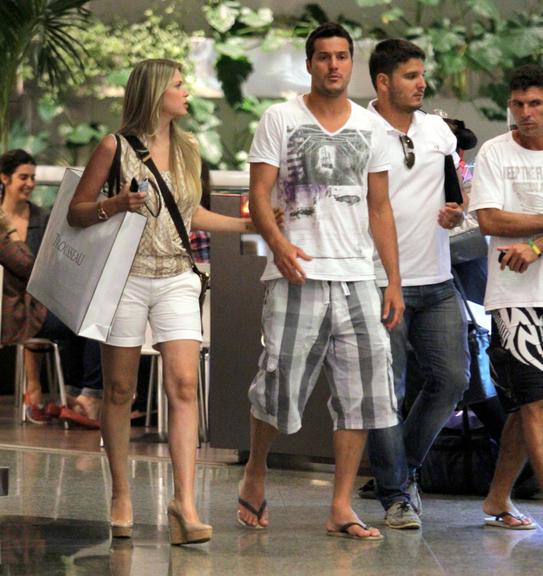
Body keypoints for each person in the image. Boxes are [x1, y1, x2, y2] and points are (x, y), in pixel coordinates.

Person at [67, 58, 257, 544]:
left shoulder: (190, 148)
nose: (186, 91)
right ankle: (121, 495)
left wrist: (248, 225)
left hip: (177, 276)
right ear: (155, 93)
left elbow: (190, 213)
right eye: (178, 85)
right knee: (118, 390)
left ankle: (184, 504)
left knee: (185, 386)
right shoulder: (114, 146)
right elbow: (77, 212)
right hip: (124, 278)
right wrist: (115, 204)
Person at [238, 22, 404, 541]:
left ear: (351, 64)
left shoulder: (371, 127)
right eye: (324, 57)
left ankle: (340, 504)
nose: (334, 65)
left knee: (361, 394)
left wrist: (392, 280)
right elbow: (259, 196)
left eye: (342, 56)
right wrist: (280, 246)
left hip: (357, 277)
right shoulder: (280, 117)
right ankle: (256, 468)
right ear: (310, 64)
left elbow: (380, 207)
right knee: (278, 383)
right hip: (298, 272)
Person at [363, 38, 470, 529]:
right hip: (381, 283)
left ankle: (399, 471)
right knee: (386, 389)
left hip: (440, 279)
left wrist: (457, 211)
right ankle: (396, 494)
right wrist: (390, 280)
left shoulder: (437, 132)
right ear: (383, 82)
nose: (421, 83)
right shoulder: (360, 131)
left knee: (452, 379)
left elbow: (457, 190)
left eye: (421, 74)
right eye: (410, 75)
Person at [470, 63, 543, 530]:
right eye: (517, 105)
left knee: (523, 411)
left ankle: (497, 498)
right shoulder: (496, 152)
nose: (525, 113)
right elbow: (490, 221)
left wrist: (535, 244)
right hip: (513, 298)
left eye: (535, 104)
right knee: (537, 404)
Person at [0, 150, 102, 427]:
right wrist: (9, 231)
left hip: (41, 302)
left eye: (33, 178)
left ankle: (73, 393)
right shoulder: (2, 225)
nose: (30, 183)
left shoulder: (42, 218)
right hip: (15, 309)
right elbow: (31, 268)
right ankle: (87, 396)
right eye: (24, 177)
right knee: (86, 321)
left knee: (77, 315)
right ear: (4, 179)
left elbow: (56, 263)